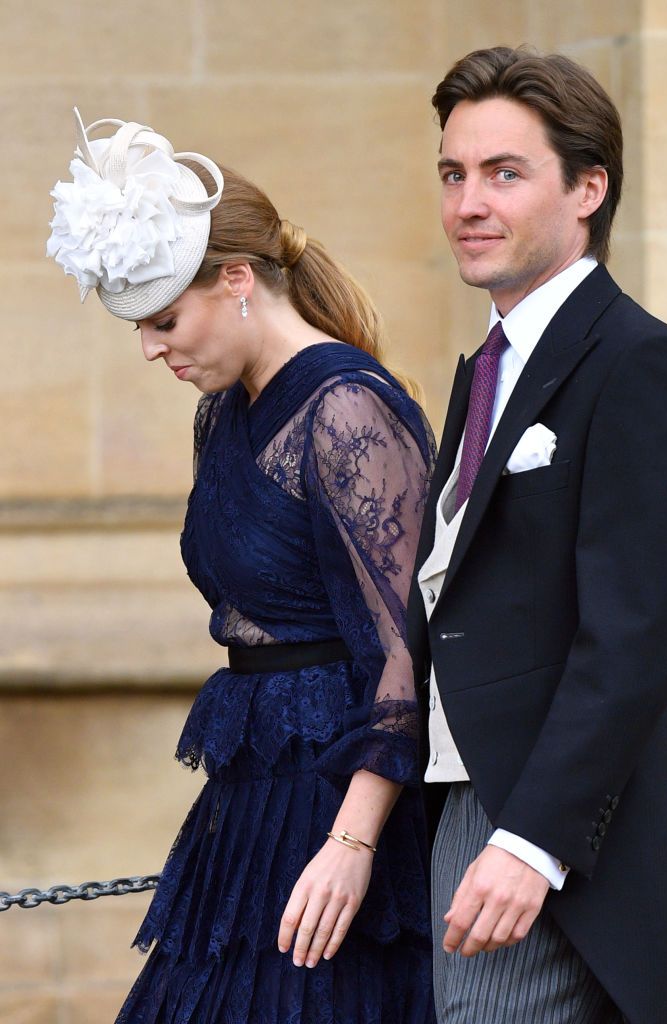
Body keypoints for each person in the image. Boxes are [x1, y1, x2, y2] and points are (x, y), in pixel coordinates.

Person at [47, 110, 436, 1023]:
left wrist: (352, 840)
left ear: (236, 281)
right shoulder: (223, 411)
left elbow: (404, 651)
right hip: (251, 795)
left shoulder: (346, 406)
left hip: (341, 807)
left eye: (165, 320)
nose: (152, 348)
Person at [406, 47, 667, 1024]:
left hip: (549, 832)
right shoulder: (486, 371)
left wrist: (529, 841)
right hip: (459, 799)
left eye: (503, 173)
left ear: (588, 187)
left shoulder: (641, 365)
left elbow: (630, 640)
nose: (467, 202)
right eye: (453, 174)